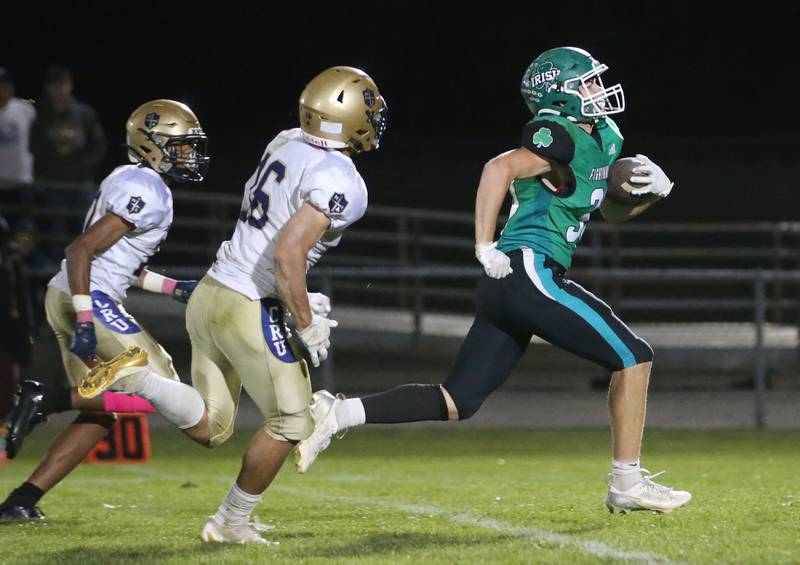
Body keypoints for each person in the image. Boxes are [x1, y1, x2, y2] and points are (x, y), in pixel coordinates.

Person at [295, 47, 692, 515]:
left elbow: (608, 209)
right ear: (558, 96)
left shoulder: (603, 136)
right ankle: (626, 482)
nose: (597, 91)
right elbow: (497, 168)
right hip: (525, 268)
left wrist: (655, 192)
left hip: (513, 284)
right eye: (586, 83)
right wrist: (484, 244)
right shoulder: (558, 134)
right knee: (633, 356)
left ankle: (337, 413)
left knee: (457, 399)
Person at [74, 66, 387, 543]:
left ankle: (141, 379)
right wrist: (305, 321)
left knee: (212, 426)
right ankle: (230, 521)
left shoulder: (286, 140)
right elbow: (287, 253)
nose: (375, 115)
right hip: (248, 304)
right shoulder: (343, 179)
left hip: (210, 293)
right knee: (291, 423)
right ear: (348, 118)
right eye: (369, 107)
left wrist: (294, 293)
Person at [0, 99, 209, 521]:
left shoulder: (130, 178)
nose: (188, 154)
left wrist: (169, 287)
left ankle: (21, 501)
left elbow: (116, 262)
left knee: (106, 409)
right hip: (87, 298)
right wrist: (84, 317)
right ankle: (45, 397)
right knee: (164, 389)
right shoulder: (146, 189)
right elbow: (80, 250)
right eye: (180, 145)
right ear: (153, 144)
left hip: (75, 293)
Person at [0, 67, 36, 185]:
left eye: (6, 84)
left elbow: (36, 101)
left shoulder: (25, 106)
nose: (4, 89)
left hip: (21, 179)